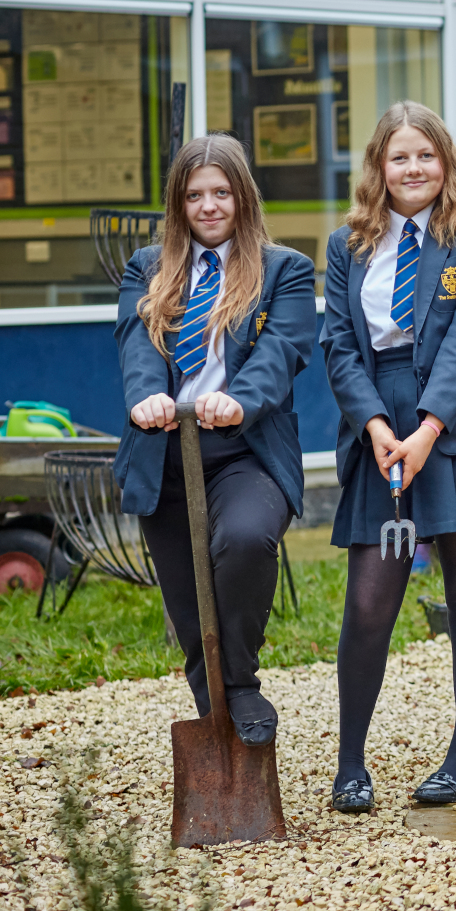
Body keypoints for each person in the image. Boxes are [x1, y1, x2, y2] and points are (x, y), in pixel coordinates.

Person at [321, 101, 456, 811]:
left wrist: (427, 429)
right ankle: (350, 764)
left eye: (426, 155)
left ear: (446, 162)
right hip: (379, 426)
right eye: (399, 157)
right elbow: (339, 347)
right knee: (370, 599)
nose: (414, 168)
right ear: (379, 169)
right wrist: (377, 425)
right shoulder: (345, 245)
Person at [115, 134, 315, 748]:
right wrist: (146, 398)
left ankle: (243, 685)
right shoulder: (146, 268)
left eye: (221, 193)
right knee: (188, 596)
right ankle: (220, 722)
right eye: (195, 195)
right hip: (165, 449)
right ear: (178, 203)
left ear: (242, 198)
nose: (208, 206)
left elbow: (284, 350)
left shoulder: (285, 270)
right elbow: (136, 343)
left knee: (247, 539)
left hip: (243, 450)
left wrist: (241, 398)